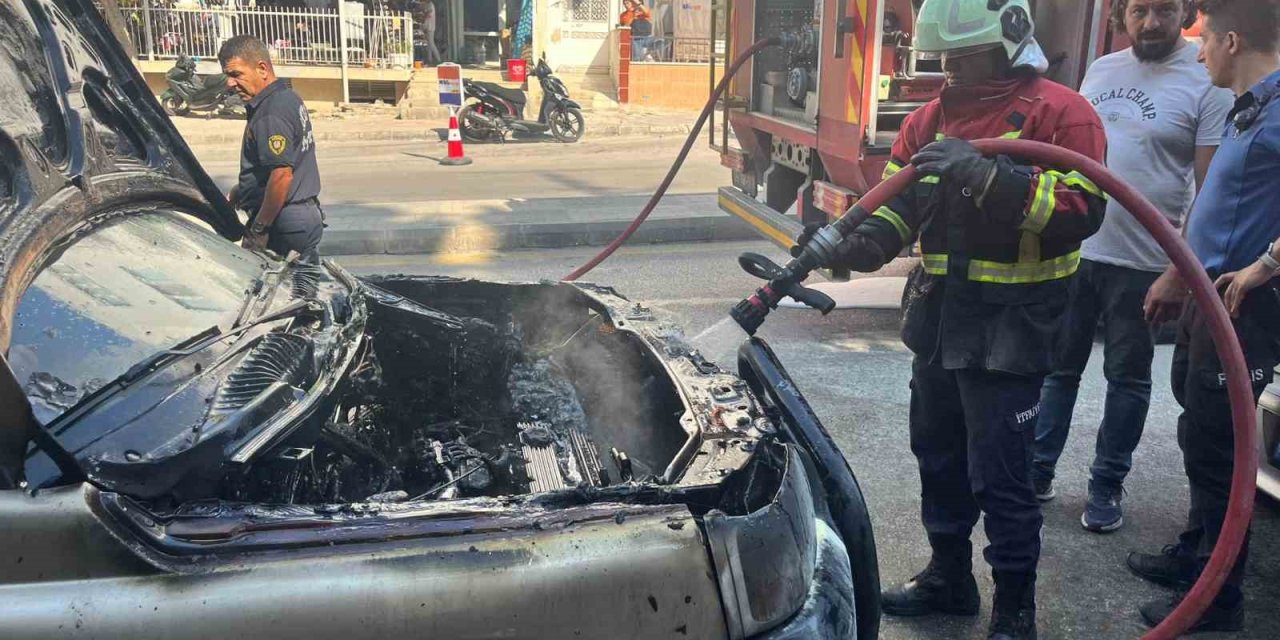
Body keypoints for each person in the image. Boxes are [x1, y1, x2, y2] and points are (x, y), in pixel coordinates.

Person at [793, 1, 1106, 637]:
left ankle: (1016, 608)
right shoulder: (929, 120)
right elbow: (896, 212)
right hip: (940, 322)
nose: (953, 71)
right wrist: (849, 246)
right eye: (945, 59)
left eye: (966, 56)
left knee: (1003, 479)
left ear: (1010, 42)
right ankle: (950, 578)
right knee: (939, 457)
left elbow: (1085, 209)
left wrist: (994, 180)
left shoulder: (1062, 114)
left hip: (1015, 329)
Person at [1031, 0, 1232, 533]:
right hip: (1077, 250)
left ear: (1184, 13)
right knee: (1056, 371)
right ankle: (1037, 471)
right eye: (1140, 11)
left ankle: (1105, 486)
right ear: (1121, 15)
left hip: (1144, 263)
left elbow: (1209, 188)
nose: (1150, 24)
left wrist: (1178, 270)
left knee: (1127, 380)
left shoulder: (1206, 77)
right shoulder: (1102, 71)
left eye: (1164, 11)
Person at [1127, 0, 1280, 631]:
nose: (1198, 52)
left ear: (1234, 41)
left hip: (1244, 309)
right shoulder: (1253, 109)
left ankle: (1219, 598)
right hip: (1209, 301)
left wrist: (1265, 265)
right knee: (1199, 433)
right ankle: (1198, 554)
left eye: (1207, 40)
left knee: (1224, 446)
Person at [218, 35, 324, 263]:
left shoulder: (271, 113)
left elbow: (281, 176)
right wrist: (242, 190)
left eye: (236, 74)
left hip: (283, 223)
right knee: (301, 291)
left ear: (262, 69)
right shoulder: (287, 97)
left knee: (275, 294)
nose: (230, 83)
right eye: (227, 75)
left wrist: (258, 230)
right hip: (302, 216)